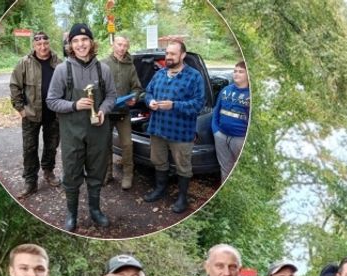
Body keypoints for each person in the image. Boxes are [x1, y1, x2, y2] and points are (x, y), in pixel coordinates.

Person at [45, 23, 115, 231]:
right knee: (72, 172)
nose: (80, 44)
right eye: (75, 41)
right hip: (71, 132)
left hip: (98, 131)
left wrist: (103, 109)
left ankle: (95, 210)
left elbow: (112, 96)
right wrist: (74, 105)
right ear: (70, 45)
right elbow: (51, 100)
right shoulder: (61, 69)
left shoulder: (103, 69)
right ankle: (72, 213)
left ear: (91, 42)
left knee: (96, 171)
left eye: (84, 40)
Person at [142, 41, 205, 215]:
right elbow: (148, 93)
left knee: (182, 166)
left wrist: (174, 105)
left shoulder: (194, 77)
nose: (168, 57)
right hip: (158, 129)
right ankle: (160, 190)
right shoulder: (160, 74)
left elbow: (198, 104)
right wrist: (150, 102)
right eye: (167, 53)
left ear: (182, 55)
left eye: (172, 54)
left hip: (181, 132)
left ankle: (182, 198)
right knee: (159, 161)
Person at [9, 30, 61, 198]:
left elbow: (66, 85)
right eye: (39, 44)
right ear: (34, 45)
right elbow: (15, 85)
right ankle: (30, 182)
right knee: (29, 149)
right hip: (31, 114)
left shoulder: (58, 62)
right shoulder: (24, 63)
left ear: (49, 43)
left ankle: (48, 171)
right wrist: (20, 109)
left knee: (51, 145)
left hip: (53, 114)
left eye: (45, 43)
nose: (43, 47)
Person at [105, 35, 142, 190]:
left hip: (123, 112)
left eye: (125, 45)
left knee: (127, 144)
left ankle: (128, 175)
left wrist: (134, 97)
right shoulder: (103, 64)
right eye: (119, 44)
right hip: (106, 112)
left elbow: (137, 88)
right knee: (105, 145)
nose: (122, 48)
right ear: (113, 44)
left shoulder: (130, 66)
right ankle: (107, 174)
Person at [212, 61, 249, 178]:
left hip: (240, 139)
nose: (236, 74)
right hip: (221, 136)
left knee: (242, 172)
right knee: (225, 168)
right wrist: (215, 131)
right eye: (235, 71)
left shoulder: (251, 95)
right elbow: (216, 112)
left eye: (241, 72)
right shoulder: (225, 90)